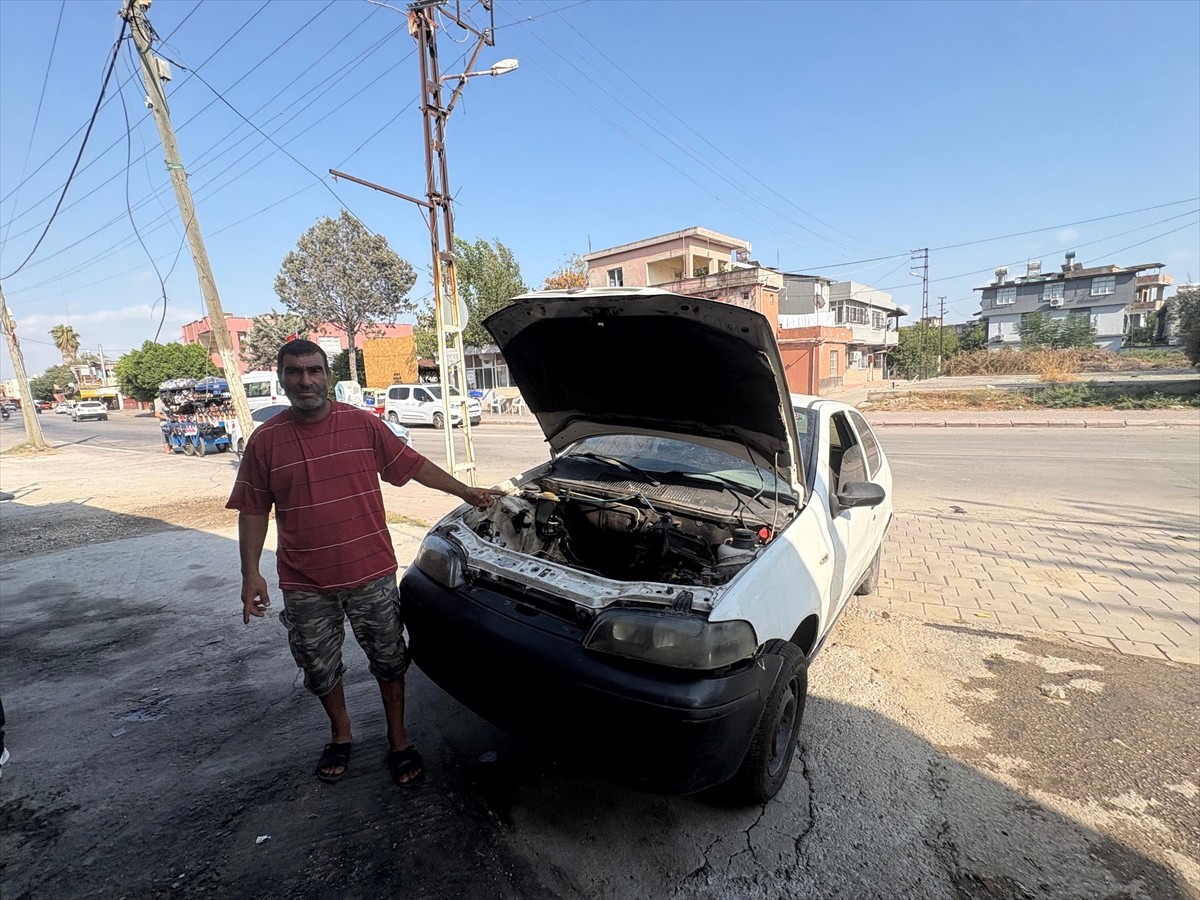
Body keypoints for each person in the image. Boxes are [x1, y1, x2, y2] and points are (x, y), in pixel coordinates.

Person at [227, 340, 503, 787]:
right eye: (295, 372)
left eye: (314, 370)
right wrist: (250, 572)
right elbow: (254, 509)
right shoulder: (265, 441)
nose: (305, 380)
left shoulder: (362, 426)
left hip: (371, 573)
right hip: (304, 581)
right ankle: (341, 733)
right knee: (318, 667)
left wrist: (465, 492)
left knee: (391, 661)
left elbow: (412, 466)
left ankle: (398, 738)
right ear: (281, 377)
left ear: (327, 375)